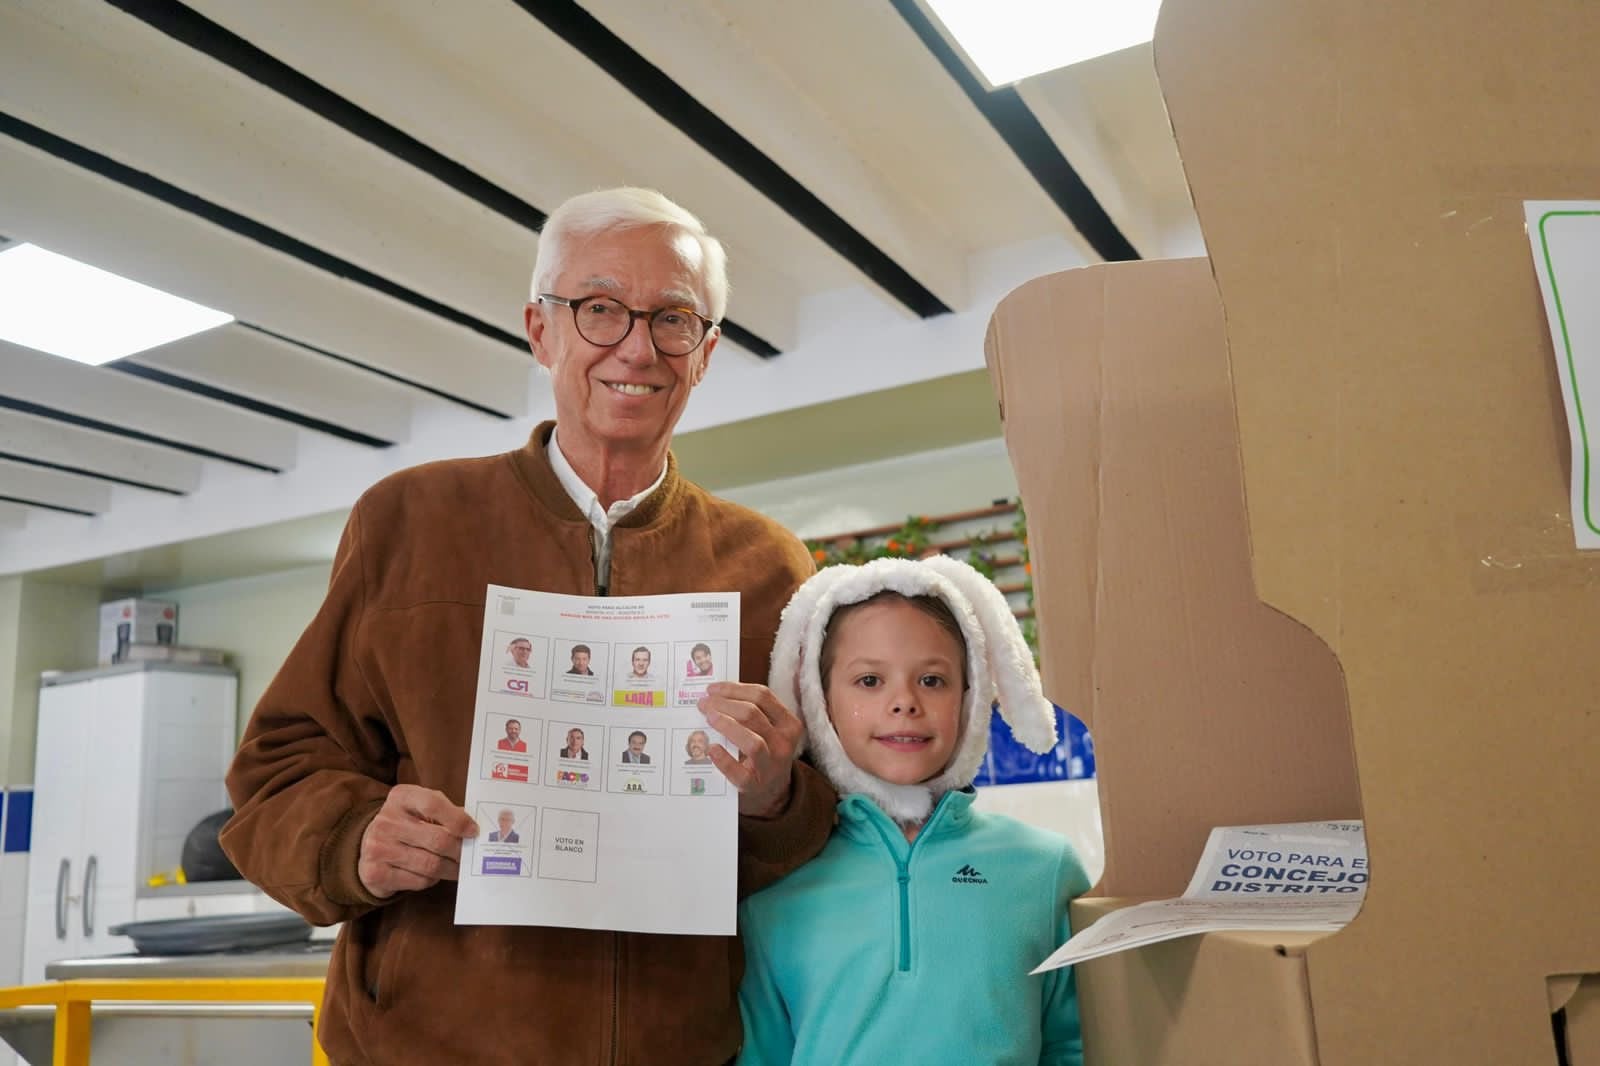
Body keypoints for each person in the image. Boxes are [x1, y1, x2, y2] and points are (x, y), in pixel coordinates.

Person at [220, 187, 834, 1066]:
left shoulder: (768, 563)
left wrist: (775, 795)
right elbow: (275, 774)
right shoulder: (410, 520)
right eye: (599, 309)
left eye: (673, 319)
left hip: (684, 1045)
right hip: (430, 1047)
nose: (637, 345)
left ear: (705, 354)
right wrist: (357, 840)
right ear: (540, 330)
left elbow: (822, 819)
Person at [738, 556, 1090, 1066]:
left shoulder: (1047, 867)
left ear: (971, 695)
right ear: (818, 700)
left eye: (932, 680)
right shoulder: (775, 888)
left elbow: (1075, 1043)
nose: (904, 701)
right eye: (868, 681)